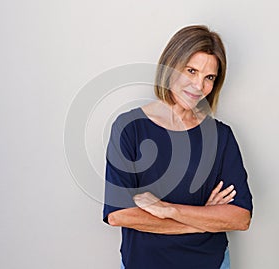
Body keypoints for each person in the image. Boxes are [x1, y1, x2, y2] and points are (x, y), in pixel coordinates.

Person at [103, 25, 253, 269]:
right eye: (191, 71)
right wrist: (203, 219)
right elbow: (120, 214)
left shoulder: (220, 136)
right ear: (170, 66)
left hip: (210, 263)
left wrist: (168, 209)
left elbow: (240, 217)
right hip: (144, 263)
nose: (198, 85)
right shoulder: (129, 128)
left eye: (209, 78)